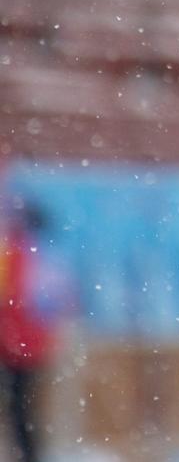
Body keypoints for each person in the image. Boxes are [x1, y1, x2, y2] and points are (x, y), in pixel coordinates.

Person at [0, 198, 63, 462]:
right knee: (24, 412)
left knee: (20, 411)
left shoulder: (14, 254)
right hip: (30, 344)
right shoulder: (50, 257)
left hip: (13, 342)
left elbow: (9, 299)